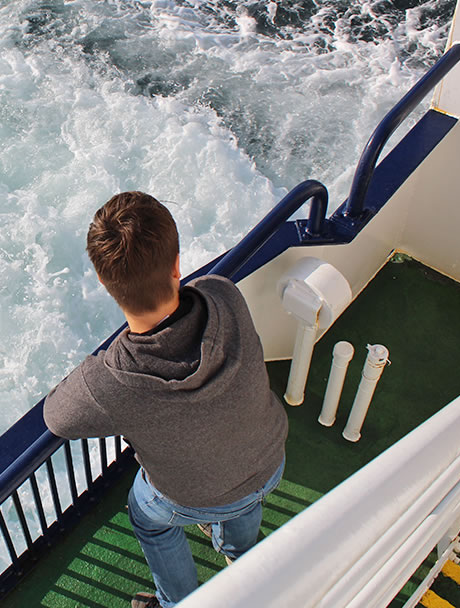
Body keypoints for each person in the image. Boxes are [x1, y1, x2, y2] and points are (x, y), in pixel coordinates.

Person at [43, 191, 288, 608]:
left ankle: (178, 602)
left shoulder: (112, 380)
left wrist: (96, 370)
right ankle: (240, 555)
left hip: (192, 495)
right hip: (268, 463)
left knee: (147, 515)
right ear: (177, 264)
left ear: (104, 284)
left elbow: (56, 416)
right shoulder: (223, 295)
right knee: (239, 491)